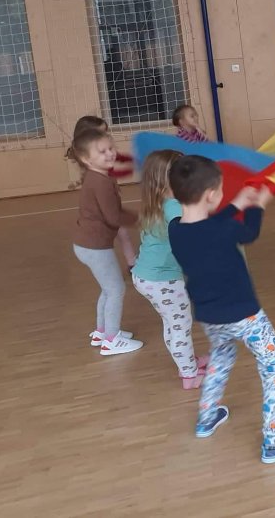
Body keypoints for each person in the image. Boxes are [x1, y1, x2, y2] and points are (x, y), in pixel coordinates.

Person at [168, 156, 275, 463]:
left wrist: (235, 204)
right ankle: (274, 441)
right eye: (220, 190)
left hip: (209, 316)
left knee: (222, 356)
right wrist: (258, 205)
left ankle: (207, 417)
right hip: (245, 316)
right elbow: (248, 234)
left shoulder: (175, 229)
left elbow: (209, 228)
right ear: (210, 195)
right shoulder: (222, 230)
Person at [133, 149, 207, 389]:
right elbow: (186, 234)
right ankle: (189, 375)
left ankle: (187, 363)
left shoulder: (156, 204)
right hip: (163, 280)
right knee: (180, 326)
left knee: (172, 323)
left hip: (145, 276)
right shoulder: (173, 207)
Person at [70, 127, 143, 356]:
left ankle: (102, 332)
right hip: (94, 247)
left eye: (111, 148)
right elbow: (113, 216)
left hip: (87, 245)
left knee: (108, 288)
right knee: (116, 289)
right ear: (86, 159)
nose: (110, 153)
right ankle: (111, 340)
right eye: (102, 151)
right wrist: (140, 220)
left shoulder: (99, 177)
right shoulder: (100, 182)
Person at [67, 115, 136, 267]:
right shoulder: (96, 173)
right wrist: (136, 219)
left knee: (123, 234)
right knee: (119, 232)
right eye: (100, 133)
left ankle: (132, 263)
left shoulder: (103, 160)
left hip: (110, 204)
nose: (105, 136)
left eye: (105, 132)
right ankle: (131, 263)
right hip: (103, 215)